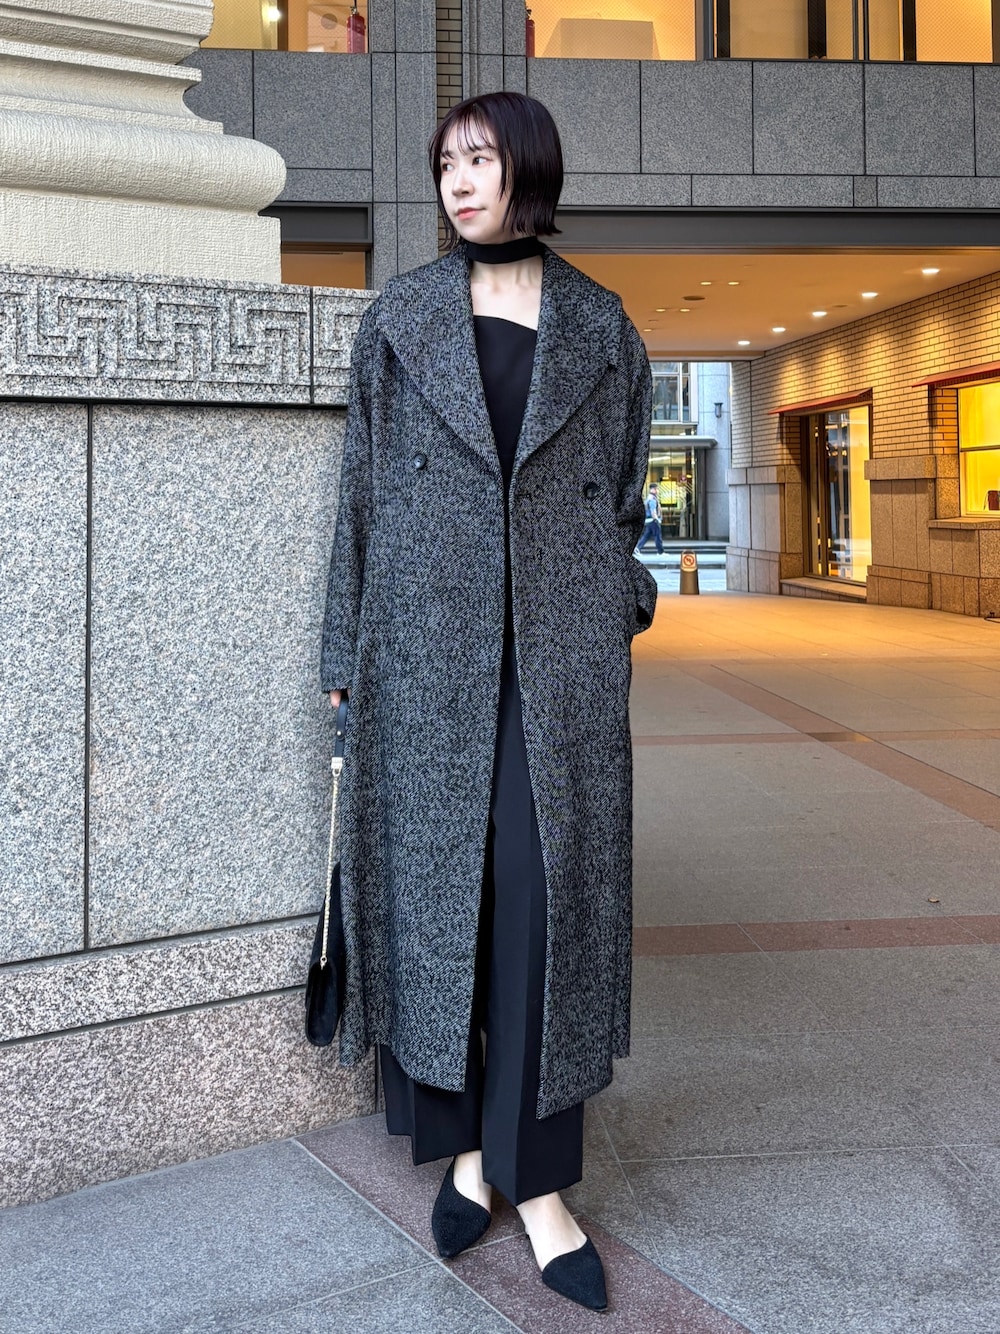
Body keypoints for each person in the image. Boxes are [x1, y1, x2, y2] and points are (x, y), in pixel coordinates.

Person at [320, 90, 657, 1313]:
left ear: (529, 169)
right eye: (446, 164)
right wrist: (342, 654)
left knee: (541, 902)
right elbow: (360, 497)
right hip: (423, 654)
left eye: (480, 160)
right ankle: (467, 1148)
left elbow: (625, 498)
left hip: (558, 666)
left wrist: (615, 605)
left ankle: (543, 1181)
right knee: (443, 899)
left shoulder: (601, 328)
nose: (459, 183)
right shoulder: (400, 319)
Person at [637, 484, 663, 554]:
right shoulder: (652, 499)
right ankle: (660, 552)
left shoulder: (649, 498)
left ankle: (637, 548)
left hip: (649, 520)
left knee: (646, 536)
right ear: (654, 489)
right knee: (657, 536)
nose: (657, 491)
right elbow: (653, 510)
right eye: (657, 489)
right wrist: (656, 519)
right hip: (653, 520)